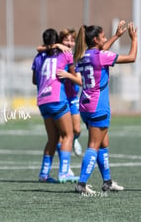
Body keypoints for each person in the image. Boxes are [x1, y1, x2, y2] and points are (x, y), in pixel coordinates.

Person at [74, 22, 137, 194]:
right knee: (94, 145)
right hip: (98, 106)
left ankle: (107, 181)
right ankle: (81, 183)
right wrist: (134, 39)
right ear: (96, 39)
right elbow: (132, 57)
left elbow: (100, 52)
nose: (106, 39)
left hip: (85, 106)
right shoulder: (101, 56)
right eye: (103, 37)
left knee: (104, 143)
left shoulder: (83, 56)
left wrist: (116, 35)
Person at [32, 28, 79, 183]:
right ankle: (64, 172)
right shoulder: (65, 54)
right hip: (57, 98)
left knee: (53, 138)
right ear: (57, 41)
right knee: (68, 135)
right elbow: (72, 74)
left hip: (42, 100)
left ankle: (44, 174)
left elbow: (34, 80)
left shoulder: (38, 57)